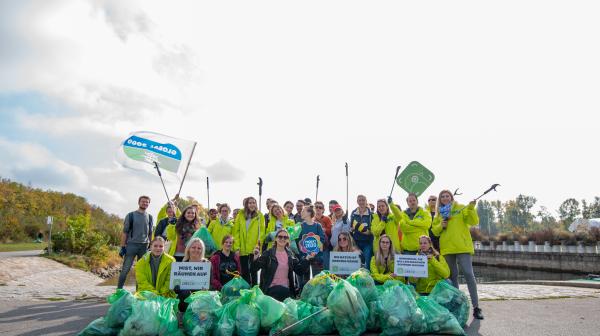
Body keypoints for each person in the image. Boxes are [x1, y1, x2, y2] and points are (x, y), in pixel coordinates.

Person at [431, 189, 483, 320]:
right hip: (448, 248)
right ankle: (459, 306)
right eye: (442, 196)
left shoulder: (461, 208)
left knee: (468, 274)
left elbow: (473, 221)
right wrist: (441, 225)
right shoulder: (438, 215)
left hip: (462, 246)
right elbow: (434, 232)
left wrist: (471, 208)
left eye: (447, 196)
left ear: (451, 197)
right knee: (453, 276)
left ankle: (476, 307)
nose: (445, 198)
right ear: (440, 199)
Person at [251, 229, 311, 301]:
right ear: (275, 239)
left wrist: (307, 258)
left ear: (288, 240)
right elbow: (254, 269)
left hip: (286, 290)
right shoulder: (268, 253)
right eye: (280, 237)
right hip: (270, 290)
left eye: (285, 237)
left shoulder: (290, 255)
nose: (282, 239)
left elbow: (299, 271)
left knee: (284, 293)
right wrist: (255, 257)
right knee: (280, 292)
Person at [118, 195, 154, 289]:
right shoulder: (130, 215)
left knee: (141, 271)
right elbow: (125, 232)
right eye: (143, 201)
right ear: (139, 202)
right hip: (131, 246)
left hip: (144, 247)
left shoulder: (150, 217)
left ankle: (139, 292)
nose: (145, 203)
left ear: (149, 204)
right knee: (125, 269)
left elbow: (150, 233)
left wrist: (151, 245)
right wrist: (122, 247)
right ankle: (119, 290)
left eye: (147, 202)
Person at [233, 196, 265, 286]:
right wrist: (237, 247)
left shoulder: (260, 215)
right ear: (246, 204)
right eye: (250, 203)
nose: (252, 204)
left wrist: (258, 246)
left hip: (254, 248)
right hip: (242, 247)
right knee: (244, 270)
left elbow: (261, 232)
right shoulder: (240, 215)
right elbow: (236, 232)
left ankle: (254, 288)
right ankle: (246, 288)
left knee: (254, 270)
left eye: (254, 202)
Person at [174, 237, 209, 312]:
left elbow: (211, 283)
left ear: (202, 250)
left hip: (202, 296)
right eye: (193, 247)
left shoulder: (207, 264)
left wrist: (207, 289)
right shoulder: (182, 265)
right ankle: (183, 316)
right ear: (189, 249)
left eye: (199, 248)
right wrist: (177, 287)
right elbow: (176, 288)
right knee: (184, 293)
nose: (196, 250)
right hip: (185, 299)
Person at [297, 205, 326, 289]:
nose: (301, 212)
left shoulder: (317, 226)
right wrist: (305, 254)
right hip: (304, 257)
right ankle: (303, 295)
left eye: (303, 210)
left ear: (309, 213)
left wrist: (315, 252)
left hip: (316, 257)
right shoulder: (300, 226)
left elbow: (322, 239)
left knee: (317, 279)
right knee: (305, 279)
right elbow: (298, 240)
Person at [350, 195, 374, 270]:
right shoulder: (354, 212)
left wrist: (362, 230)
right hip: (356, 242)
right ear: (357, 202)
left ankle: (366, 280)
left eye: (363, 200)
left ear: (366, 201)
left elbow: (372, 230)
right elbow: (351, 227)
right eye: (359, 200)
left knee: (366, 262)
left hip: (367, 242)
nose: (361, 202)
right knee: (356, 263)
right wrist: (354, 229)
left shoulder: (371, 214)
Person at [314, 201, 332, 269]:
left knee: (325, 268)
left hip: (325, 247)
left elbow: (330, 231)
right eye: (316, 207)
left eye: (320, 207)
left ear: (323, 209)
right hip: (314, 248)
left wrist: (322, 229)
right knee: (315, 269)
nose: (318, 209)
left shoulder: (327, 219)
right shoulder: (312, 219)